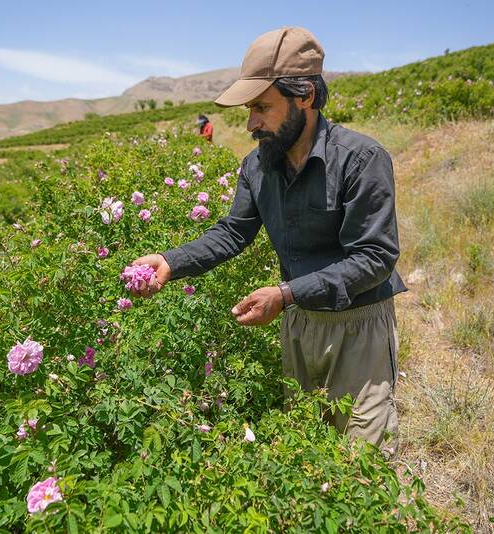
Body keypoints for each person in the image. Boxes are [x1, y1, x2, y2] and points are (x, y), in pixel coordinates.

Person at [127, 27, 406, 457]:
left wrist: (285, 294)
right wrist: (170, 261)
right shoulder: (258, 166)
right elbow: (233, 232)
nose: (251, 123)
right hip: (298, 322)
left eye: (262, 107)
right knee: (307, 451)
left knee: (362, 462)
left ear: (306, 97)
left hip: (358, 325)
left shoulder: (361, 160)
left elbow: (375, 258)